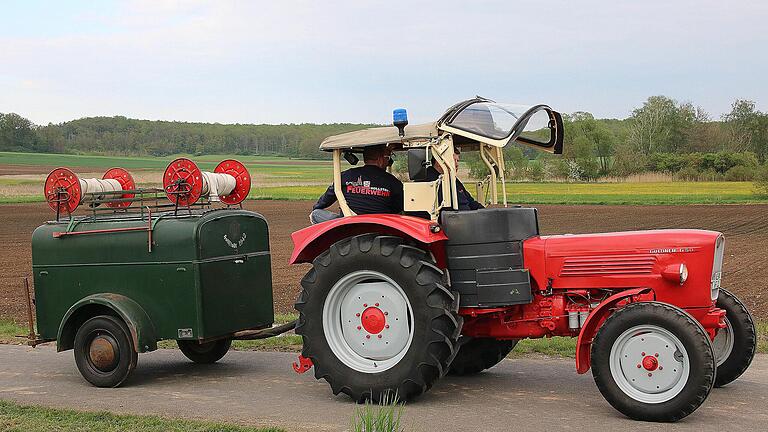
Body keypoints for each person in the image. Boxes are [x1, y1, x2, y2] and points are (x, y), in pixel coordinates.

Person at [310, 145, 404, 224]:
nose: (388, 162)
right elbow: (399, 206)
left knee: (316, 214)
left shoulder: (346, 175)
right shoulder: (392, 181)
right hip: (380, 223)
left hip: (349, 223)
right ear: (380, 159)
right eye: (387, 158)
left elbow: (328, 197)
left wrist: (316, 207)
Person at [425, 147, 483, 211]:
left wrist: (485, 211)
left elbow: (471, 202)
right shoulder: (429, 182)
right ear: (439, 162)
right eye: (453, 161)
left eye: (457, 161)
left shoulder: (452, 178)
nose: (457, 164)